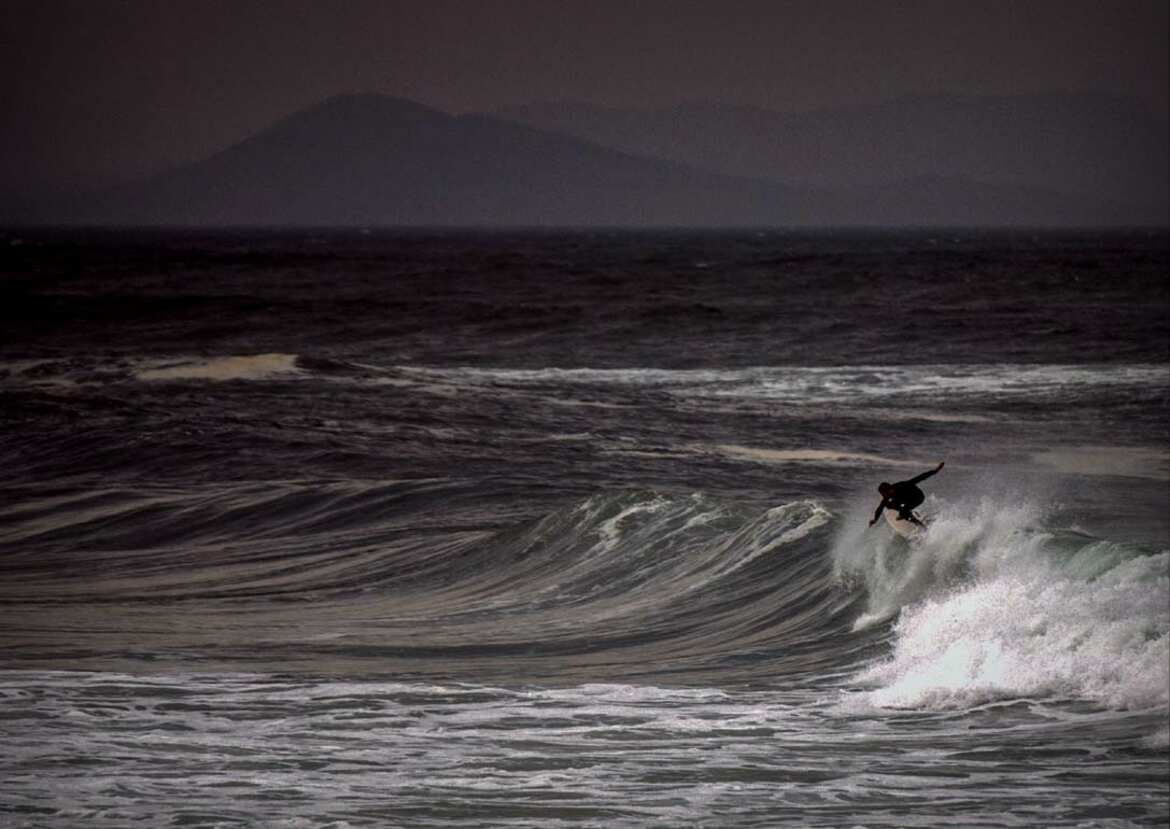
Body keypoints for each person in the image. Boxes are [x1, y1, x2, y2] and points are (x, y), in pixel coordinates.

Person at [869, 462, 945, 528]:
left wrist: (935, 471)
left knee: (903, 511)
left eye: (884, 494)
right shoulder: (887, 496)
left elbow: (919, 478)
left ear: (890, 490)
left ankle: (920, 525)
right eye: (882, 494)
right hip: (907, 501)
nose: (883, 496)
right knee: (888, 504)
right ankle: (909, 514)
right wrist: (875, 520)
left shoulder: (901, 486)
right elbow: (880, 508)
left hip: (918, 497)